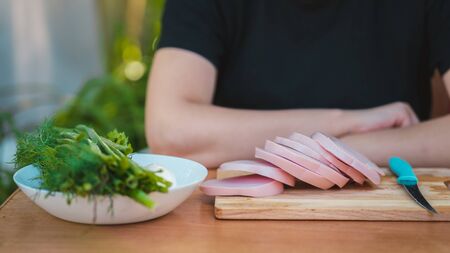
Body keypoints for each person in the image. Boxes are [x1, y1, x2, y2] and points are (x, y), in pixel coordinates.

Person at [145, 0, 450, 168]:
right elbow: (171, 130)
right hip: (238, 218)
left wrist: (340, 148)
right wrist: (346, 122)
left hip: (392, 218)